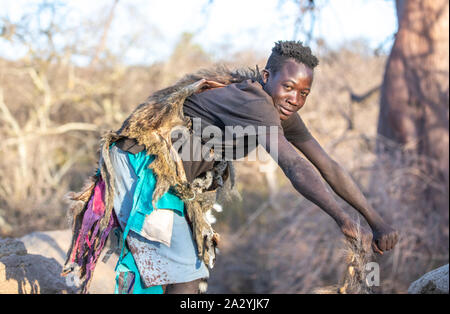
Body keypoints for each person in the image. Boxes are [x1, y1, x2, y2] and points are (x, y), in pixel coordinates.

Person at [64, 40, 399, 294]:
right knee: (183, 274)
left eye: (304, 93)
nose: (295, 98)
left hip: (171, 180)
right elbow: (295, 165)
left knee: (178, 271)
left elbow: (327, 165)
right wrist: (342, 219)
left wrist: (375, 219)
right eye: (288, 87)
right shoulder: (254, 101)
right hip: (142, 166)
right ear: (267, 77)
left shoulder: (282, 113)